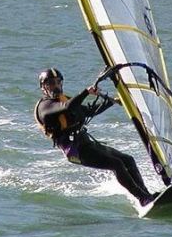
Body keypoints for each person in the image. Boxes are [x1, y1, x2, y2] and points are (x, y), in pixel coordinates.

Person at [34, 67, 156, 206]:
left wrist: (113, 101)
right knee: (116, 164)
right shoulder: (44, 107)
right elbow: (67, 107)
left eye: (57, 82)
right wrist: (86, 92)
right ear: (43, 87)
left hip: (86, 143)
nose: (55, 86)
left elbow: (89, 111)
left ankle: (147, 194)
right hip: (76, 151)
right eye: (50, 83)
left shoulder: (65, 99)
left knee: (128, 160)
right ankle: (143, 198)